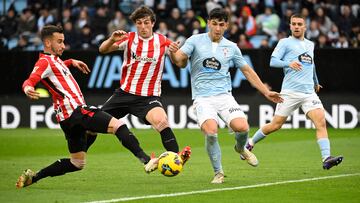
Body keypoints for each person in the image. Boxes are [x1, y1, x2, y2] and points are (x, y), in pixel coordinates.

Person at [16, 25, 151, 188]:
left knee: (77, 163)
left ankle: (35, 177)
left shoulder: (55, 61)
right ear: (47, 43)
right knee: (118, 125)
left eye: (63, 41)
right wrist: (28, 88)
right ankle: (147, 160)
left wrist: (71, 62)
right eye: (59, 42)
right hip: (75, 111)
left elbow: (56, 68)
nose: (63, 46)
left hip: (66, 120)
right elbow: (31, 79)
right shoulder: (44, 61)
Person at [168, 8, 283, 184]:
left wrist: (266, 92)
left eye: (221, 24)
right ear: (209, 23)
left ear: (227, 26)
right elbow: (180, 62)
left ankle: (241, 148)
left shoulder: (232, 47)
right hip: (202, 97)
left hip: (224, 96)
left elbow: (247, 71)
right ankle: (218, 172)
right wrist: (172, 53)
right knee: (211, 132)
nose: (217, 28)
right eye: (214, 24)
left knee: (243, 127)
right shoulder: (195, 41)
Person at [97, 6, 191, 173]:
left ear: (153, 23)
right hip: (124, 93)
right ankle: (79, 158)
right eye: (139, 23)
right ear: (135, 24)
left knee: (162, 121)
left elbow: (181, 64)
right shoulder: (128, 38)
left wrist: (175, 53)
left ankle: (176, 158)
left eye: (146, 22)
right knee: (94, 124)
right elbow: (102, 49)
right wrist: (111, 39)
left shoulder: (163, 41)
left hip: (148, 97)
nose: (143, 26)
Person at [246, 14, 343, 170]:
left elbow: (311, 64)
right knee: (275, 125)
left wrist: (316, 81)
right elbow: (273, 61)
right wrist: (288, 63)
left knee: (321, 121)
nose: (297, 26)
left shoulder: (310, 44)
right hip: (290, 92)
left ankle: (326, 158)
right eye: (294, 24)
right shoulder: (285, 42)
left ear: (305, 26)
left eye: (299, 24)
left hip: (308, 93)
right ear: (290, 26)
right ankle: (250, 142)